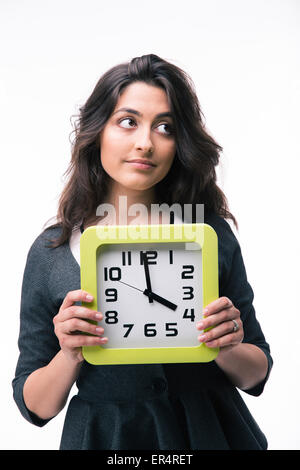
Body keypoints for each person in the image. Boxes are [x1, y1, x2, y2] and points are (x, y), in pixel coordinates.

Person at [12, 54, 272, 450]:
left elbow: (256, 373)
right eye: (128, 121)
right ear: (98, 130)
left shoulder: (209, 235)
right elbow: (35, 407)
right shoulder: (52, 253)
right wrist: (69, 355)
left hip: (211, 434)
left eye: (165, 127)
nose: (145, 143)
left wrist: (228, 345)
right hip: (107, 439)